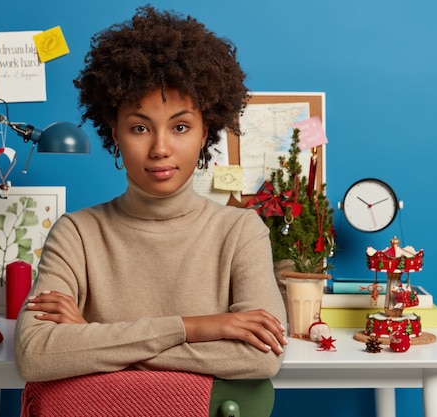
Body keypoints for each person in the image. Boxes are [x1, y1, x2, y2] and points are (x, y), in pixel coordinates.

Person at [14, 5, 287, 385]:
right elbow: (35, 354)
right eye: (140, 128)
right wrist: (197, 327)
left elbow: (261, 357)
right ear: (114, 134)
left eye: (180, 126)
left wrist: (91, 339)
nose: (160, 148)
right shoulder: (76, 233)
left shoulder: (241, 231)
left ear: (205, 132)